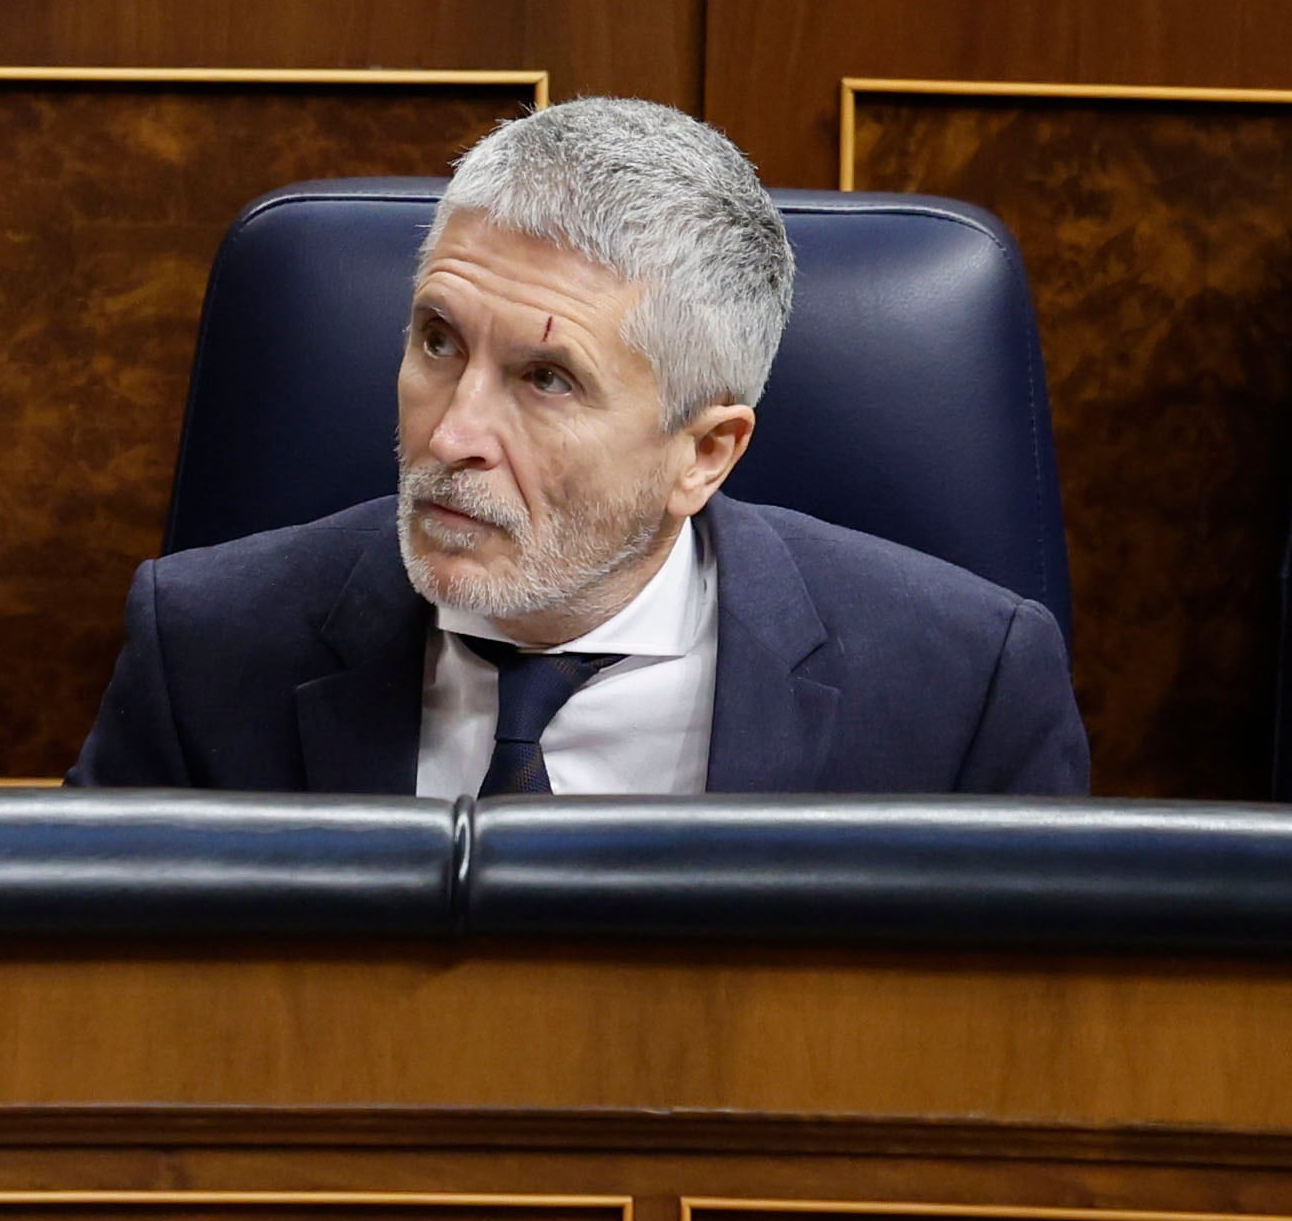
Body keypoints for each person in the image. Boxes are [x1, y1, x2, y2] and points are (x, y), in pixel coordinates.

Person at [67, 98, 1090, 796]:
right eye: (437, 341)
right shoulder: (202, 651)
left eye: (546, 378)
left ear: (705, 454)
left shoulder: (963, 694)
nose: (451, 435)